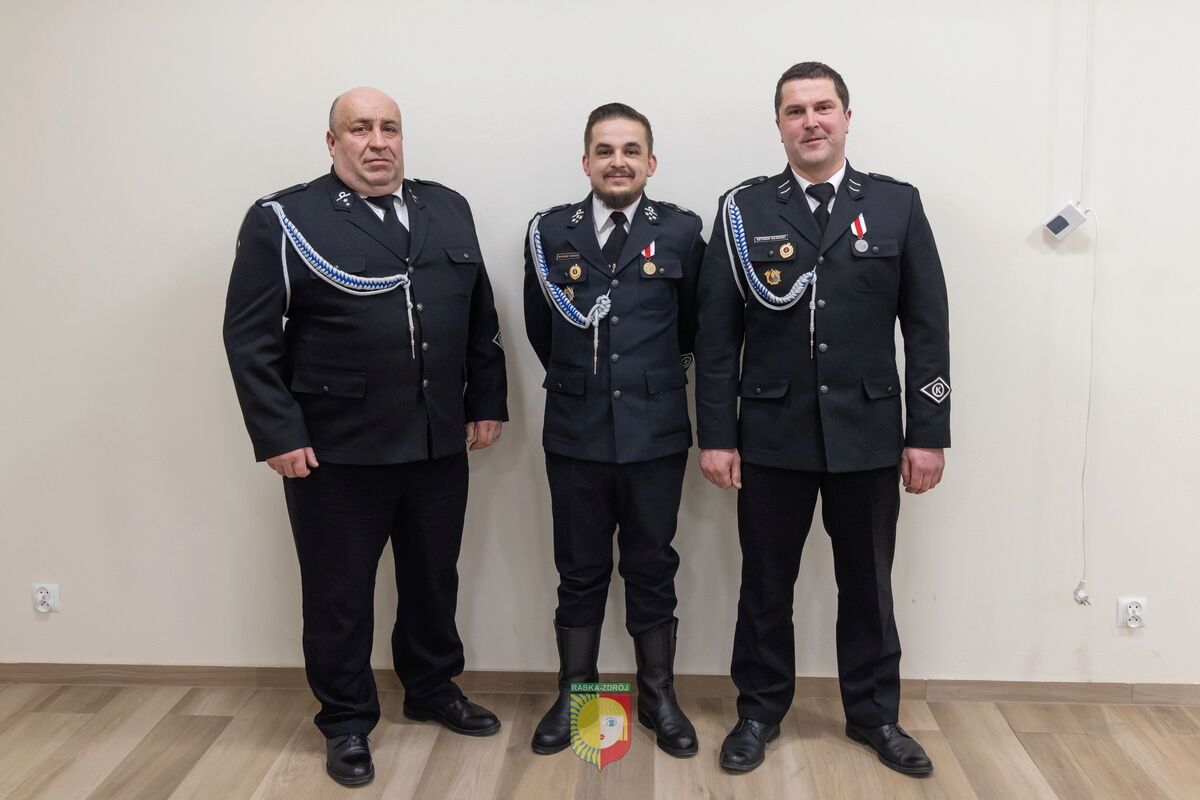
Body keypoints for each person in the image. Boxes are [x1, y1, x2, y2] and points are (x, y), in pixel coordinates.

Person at [223, 87, 508, 787]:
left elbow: (479, 317)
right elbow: (250, 338)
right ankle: (346, 720)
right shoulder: (285, 218)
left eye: (389, 128)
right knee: (339, 592)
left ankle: (431, 686)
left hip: (436, 439)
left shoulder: (448, 207)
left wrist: (485, 401)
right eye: (359, 128)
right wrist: (278, 431)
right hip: (337, 448)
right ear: (332, 142)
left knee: (433, 578)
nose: (377, 141)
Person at [694, 62, 951, 775]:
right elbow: (716, 336)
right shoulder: (743, 211)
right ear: (779, 125)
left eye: (823, 107)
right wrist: (717, 434)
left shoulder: (896, 205)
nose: (811, 121)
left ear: (846, 117)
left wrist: (928, 434)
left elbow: (927, 328)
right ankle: (758, 712)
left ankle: (874, 716)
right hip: (771, 434)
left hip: (867, 433)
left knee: (868, 585)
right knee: (765, 585)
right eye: (795, 110)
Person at [522, 103, 704, 758]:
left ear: (651, 162)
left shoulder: (682, 231)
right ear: (586, 161)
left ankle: (658, 699)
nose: (618, 161)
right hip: (576, 434)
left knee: (652, 567)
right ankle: (577, 697)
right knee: (579, 571)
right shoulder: (549, 232)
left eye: (631, 150)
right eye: (605, 150)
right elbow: (542, 329)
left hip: (655, 435)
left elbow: (693, 327)